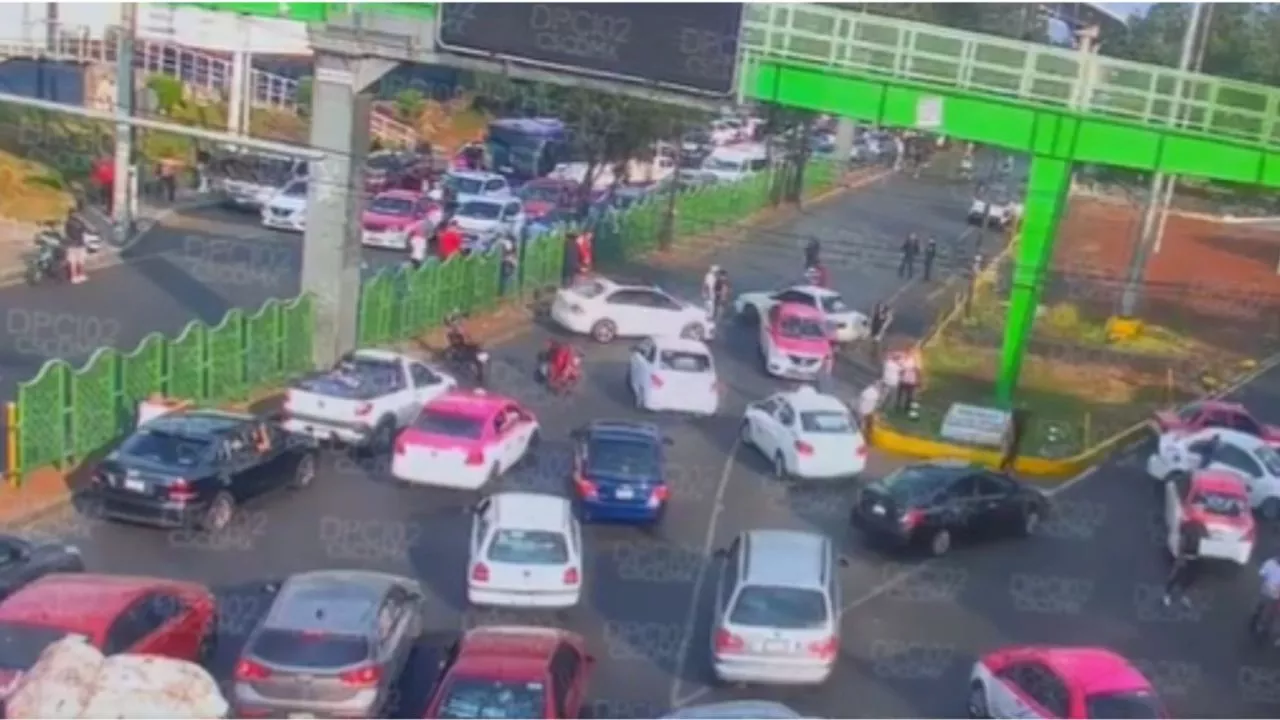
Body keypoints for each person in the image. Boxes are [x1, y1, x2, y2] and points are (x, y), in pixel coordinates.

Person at [1163, 517, 1206, 607]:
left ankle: (1182, 594)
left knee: (1189, 579)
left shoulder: (1200, 529)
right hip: (1186, 557)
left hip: (1193, 557)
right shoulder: (1188, 530)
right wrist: (1180, 557)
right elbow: (1183, 544)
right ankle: (1167, 594)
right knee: (1176, 576)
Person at [1251, 555, 1280, 642]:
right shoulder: (1270, 563)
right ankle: (1263, 626)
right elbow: (1262, 574)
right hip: (1272, 592)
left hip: (1270, 591)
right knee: (1269, 610)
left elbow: (1261, 574)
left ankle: (1258, 622)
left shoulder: (1270, 563)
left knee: (1265, 608)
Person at [63, 199, 90, 284]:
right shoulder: (78, 222)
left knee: (73, 262)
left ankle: (75, 276)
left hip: (72, 244)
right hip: (79, 243)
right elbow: (84, 229)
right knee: (79, 261)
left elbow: (67, 232)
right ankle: (80, 275)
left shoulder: (67, 222)